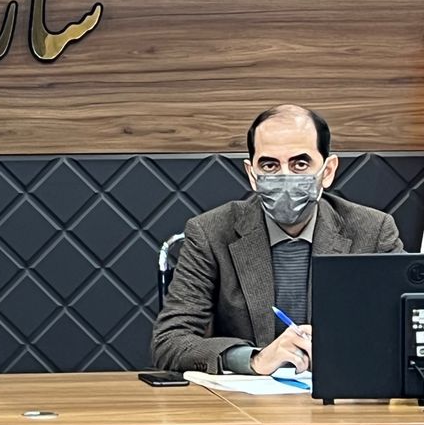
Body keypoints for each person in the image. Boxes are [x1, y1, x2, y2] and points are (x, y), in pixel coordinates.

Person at [151, 104, 402, 374]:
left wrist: (341, 351)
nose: (285, 177)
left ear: (328, 171)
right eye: (269, 165)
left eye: (300, 164)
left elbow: (408, 332)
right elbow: (170, 341)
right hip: (244, 397)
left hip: (343, 393)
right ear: (252, 175)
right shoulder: (210, 232)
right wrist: (253, 358)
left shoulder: (374, 231)